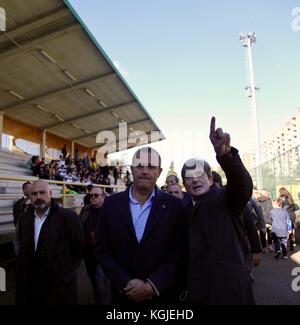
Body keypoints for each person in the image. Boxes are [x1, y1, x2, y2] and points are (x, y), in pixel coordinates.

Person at [95, 147, 188, 304]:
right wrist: (124, 282)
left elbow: (178, 252)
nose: (145, 171)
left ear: (159, 171)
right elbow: (102, 248)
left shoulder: (174, 207)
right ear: (132, 169)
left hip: (161, 296)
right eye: (139, 166)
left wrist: (152, 285)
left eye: (151, 166)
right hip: (122, 295)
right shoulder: (111, 204)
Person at [181, 117, 254, 305]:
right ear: (184, 184)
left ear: (211, 179)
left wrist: (226, 156)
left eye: (200, 175)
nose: (195, 180)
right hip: (198, 293)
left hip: (230, 292)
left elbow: (242, 184)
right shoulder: (184, 209)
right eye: (189, 177)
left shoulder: (226, 199)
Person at [16, 180, 84, 305]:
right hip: (33, 287)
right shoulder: (24, 219)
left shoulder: (68, 217)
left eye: (42, 193)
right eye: (34, 194)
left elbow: (78, 249)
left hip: (61, 287)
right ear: (29, 196)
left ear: (50, 193)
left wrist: (63, 267)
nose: (38, 197)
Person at [79, 187, 109, 304]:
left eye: (96, 195)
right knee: (91, 275)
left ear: (103, 197)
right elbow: (79, 226)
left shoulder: (109, 211)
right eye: (91, 195)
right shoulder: (85, 210)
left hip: (103, 252)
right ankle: (97, 295)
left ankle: (102, 301)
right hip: (88, 251)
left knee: (100, 278)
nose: (92, 197)